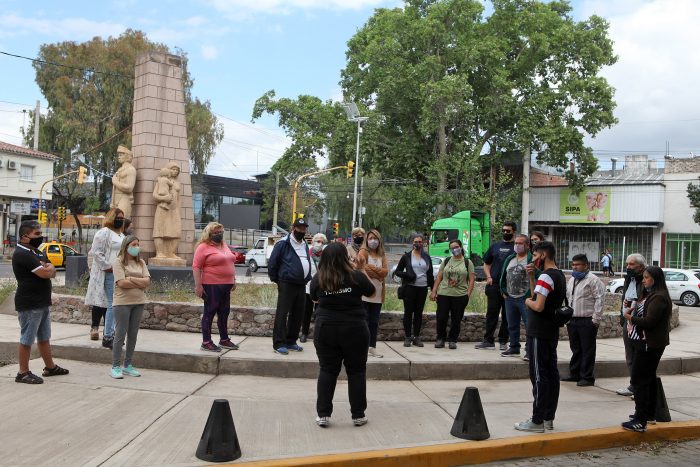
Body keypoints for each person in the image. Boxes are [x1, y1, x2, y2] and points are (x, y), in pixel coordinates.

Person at [309, 242, 375, 427]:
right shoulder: (356, 276)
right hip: (355, 329)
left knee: (327, 370)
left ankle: (323, 415)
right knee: (357, 371)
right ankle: (358, 415)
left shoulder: (319, 278)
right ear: (346, 257)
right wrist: (360, 270)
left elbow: (314, 298)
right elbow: (371, 292)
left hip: (326, 329)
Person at [514, 241, 565, 433]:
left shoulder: (546, 275)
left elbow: (538, 305)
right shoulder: (558, 275)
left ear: (543, 255)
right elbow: (541, 295)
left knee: (538, 376)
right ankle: (547, 417)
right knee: (551, 375)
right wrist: (530, 277)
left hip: (539, 332)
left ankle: (537, 420)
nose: (533, 259)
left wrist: (526, 300)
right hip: (550, 331)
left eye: (535, 256)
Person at [12, 220, 69, 384]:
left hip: (42, 302)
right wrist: (47, 270)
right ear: (25, 237)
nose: (40, 237)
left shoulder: (36, 251)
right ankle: (22, 373)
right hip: (30, 303)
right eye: (36, 234)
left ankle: (50, 367)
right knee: (27, 339)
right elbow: (45, 273)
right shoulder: (22, 253)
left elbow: (51, 269)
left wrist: (48, 269)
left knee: (44, 337)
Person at [621, 265, 672, 432]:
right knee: (647, 379)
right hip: (643, 343)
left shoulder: (659, 297)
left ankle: (640, 419)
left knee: (639, 379)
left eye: (647, 278)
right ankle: (647, 414)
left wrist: (631, 318)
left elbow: (650, 322)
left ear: (655, 279)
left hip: (649, 345)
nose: (643, 280)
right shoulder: (651, 295)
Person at [268, 218, 312, 355]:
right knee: (282, 313)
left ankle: (291, 341)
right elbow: (273, 263)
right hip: (286, 283)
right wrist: (277, 280)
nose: (302, 230)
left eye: (304, 228)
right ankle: (279, 343)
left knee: (298, 313)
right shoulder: (283, 243)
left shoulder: (304, 243)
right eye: (299, 228)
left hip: (301, 283)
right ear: (293, 228)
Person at [193, 222, 239, 352]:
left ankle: (224, 339)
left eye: (221, 231)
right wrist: (198, 286)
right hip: (211, 284)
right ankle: (206, 342)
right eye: (216, 232)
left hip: (226, 285)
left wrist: (233, 279)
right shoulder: (203, 247)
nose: (219, 234)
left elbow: (230, 262)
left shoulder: (224, 245)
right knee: (210, 312)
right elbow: (196, 267)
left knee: (224, 313)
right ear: (209, 234)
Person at [560, 254, 605, 387]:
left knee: (587, 350)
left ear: (585, 266)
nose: (574, 267)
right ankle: (575, 374)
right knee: (576, 349)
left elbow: (600, 299)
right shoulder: (572, 279)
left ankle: (587, 377)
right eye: (573, 265)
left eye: (577, 265)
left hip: (587, 320)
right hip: (573, 320)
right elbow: (569, 297)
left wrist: (595, 320)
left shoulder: (593, 280)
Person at [84, 208, 125, 349]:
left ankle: (112, 334)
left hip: (118, 273)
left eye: (122, 218)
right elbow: (96, 252)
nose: (121, 220)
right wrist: (108, 267)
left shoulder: (120, 235)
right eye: (118, 217)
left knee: (116, 304)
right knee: (112, 304)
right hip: (108, 273)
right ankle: (108, 336)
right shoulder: (104, 233)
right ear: (112, 218)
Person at [110, 235, 150, 378]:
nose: (136, 247)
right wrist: (139, 281)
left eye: (138, 244)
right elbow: (121, 283)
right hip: (122, 303)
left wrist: (131, 279)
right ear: (126, 246)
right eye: (134, 244)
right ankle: (115, 366)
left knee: (133, 335)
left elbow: (147, 282)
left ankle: (128, 365)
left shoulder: (141, 263)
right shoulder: (118, 262)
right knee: (120, 335)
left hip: (139, 302)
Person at [475, 221, 516, 350]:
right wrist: (488, 276)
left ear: (513, 231)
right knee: (491, 313)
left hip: (510, 287)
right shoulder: (495, 246)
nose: (505, 233)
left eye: (508, 231)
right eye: (503, 230)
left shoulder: (517, 247)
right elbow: (486, 264)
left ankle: (503, 341)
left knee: (507, 315)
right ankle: (488, 340)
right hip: (494, 285)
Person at [430, 239, 475, 349]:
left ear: (460, 247)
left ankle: (453, 340)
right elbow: (439, 277)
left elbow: (472, 280)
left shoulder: (467, 262)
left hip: (460, 295)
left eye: (456, 247)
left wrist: (467, 295)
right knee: (441, 318)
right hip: (444, 294)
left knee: (456, 319)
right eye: (452, 248)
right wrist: (434, 291)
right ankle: (440, 339)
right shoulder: (446, 261)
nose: (454, 249)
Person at [393, 233, 434, 347]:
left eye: (420, 242)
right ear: (412, 243)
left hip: (422, 288)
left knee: (418, 314)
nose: (418, 244)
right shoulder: (406, 257)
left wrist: (433, 289)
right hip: (410, 288)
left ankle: (416, 337)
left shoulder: (427, 257)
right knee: (408, 312)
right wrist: (407, 275)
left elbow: (430, 274)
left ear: (423, 243)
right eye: (416, 242)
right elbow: (397, 271)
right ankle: (407, 337)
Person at [616, 253, 646, 397]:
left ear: (640, 266)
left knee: (640, 358)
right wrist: (623, 318)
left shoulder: (646, 279)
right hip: (628, 322)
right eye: (627, 264)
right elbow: (625, 298)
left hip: (640, 324)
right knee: (630, 357)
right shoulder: (629, 279)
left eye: (631, 264)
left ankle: (641, 387)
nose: (628, 267)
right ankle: (633, 385)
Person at [356, 229, 389, 358]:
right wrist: (377, 272)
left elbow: (385, 272)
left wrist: (370, 268)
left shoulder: (382, 254)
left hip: (378, 294)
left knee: (374, 322)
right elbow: (360, 268)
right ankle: (361, 346)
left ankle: (372, 346)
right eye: (370, 238)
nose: (373, 241)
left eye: (375, 238)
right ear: (366, 240)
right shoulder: (363, 252)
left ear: (379, 240)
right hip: (364, 293)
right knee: (363, 320)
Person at [499, 235, 533, 359]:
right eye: (516, 243)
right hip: (510, 298)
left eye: (520, 243)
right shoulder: (510, 258)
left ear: (527, 245)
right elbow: (503, 275)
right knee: (511, 324)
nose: (517, 245)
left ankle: (530, 350)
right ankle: (514, 347)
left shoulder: (531, 259)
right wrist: (503, 290)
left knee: (529, 325)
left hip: (525, 298)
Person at [301, 233, 328, 343]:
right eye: (318, 241)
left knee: (319, 312)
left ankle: (319, 334)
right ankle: (304, 333)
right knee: (306, 311)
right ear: (312, 242)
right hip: (307, 287)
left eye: (322, 242)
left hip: (321, 288)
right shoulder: (307, 253)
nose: (319, 243)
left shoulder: (326, 255)